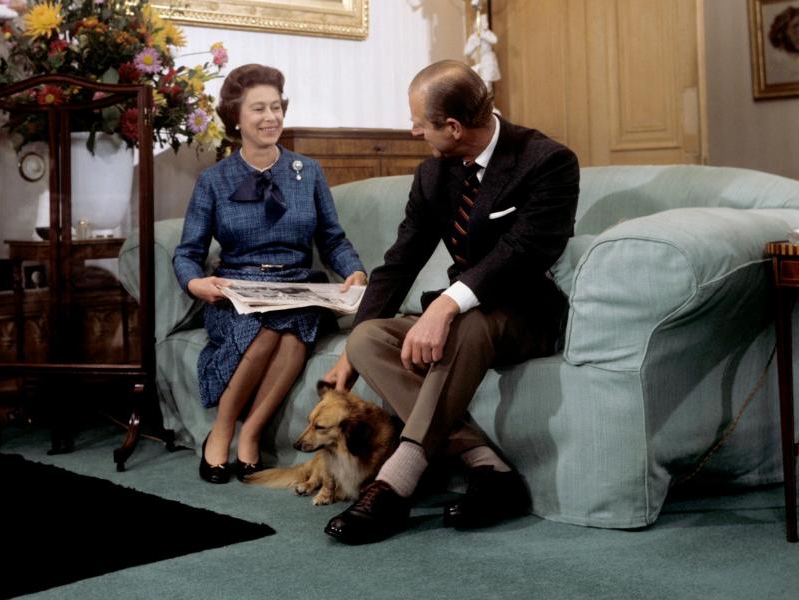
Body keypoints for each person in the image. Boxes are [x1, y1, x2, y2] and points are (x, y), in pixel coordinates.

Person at [321, 60, 579, 544]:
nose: (414, 130)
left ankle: (395, 485)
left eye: (420, 121)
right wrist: (349, 353)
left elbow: (522, 252)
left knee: (463, 324)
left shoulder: (546, 161)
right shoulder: (433, 175)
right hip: (466, 314)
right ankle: (487, 467)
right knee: (369, 337)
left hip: (527, 312)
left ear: (454, 127)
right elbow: (400, 261)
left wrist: (444, 307)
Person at [174, 64, 367, 485]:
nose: (270, 118)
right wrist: (196, 282)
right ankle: (221, 433)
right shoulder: (214, 180)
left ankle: (252, 434)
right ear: (236, 118)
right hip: (238, 289)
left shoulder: (308, 172)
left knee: (295, 328)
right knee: (265, 331)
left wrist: (354, 271)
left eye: (276, 107)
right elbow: (187, 252)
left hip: (298, 284)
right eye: (258, 109)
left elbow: (333, 239)